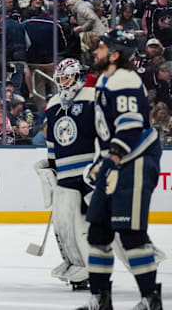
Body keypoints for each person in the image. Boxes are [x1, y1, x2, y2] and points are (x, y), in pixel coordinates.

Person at [76, 30, 163, 310]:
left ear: (114, 54)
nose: (96, 51)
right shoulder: (105, 79)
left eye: (101, 47)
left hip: (134, 161)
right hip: (116, 161)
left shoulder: (124, 78)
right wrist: (103, 160)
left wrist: (110, 160)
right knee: (98, 232)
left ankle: (150, 300)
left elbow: (129, 126)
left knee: (131, 232)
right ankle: (100, 298)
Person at [34, 59, 95, 290]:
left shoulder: (93, 97)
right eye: (60, 78)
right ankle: (79, 269)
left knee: (92, 225)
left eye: (67, 78)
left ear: (78, 77)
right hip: (66, 174)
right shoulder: (54, 103)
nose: (62, 83)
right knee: (66, 224)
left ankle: (97, 267)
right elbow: (52, 140)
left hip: (89, 173)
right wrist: (51, 165)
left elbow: (102, 131)